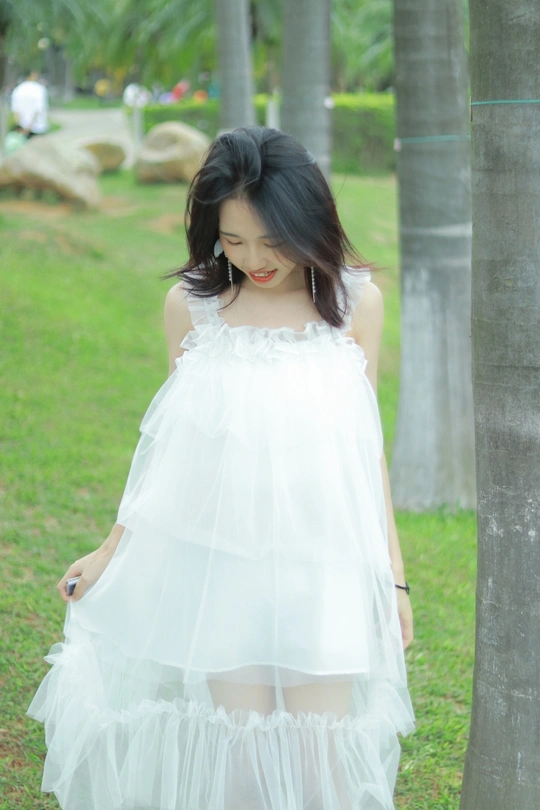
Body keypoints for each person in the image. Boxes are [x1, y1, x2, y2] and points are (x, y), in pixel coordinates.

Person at [27, 126, 415, 810]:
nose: (254, 260)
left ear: (310, 222)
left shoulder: (356, 305)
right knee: (240, 761)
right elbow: (176, 450)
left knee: (320, 766)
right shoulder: (194, 307)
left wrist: (395, 582)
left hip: (324, 566)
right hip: (224, 566)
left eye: (272, 240)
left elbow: (366, 452)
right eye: (233, 240)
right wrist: (113, 550)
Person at [10, 71, 48, 137]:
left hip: (22, 129)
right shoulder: (39, 89)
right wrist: (29, 128)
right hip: (38, 128)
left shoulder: (17, 90)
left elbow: (16, 111)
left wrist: (20, 128)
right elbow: (38, 109)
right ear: (32, 75)